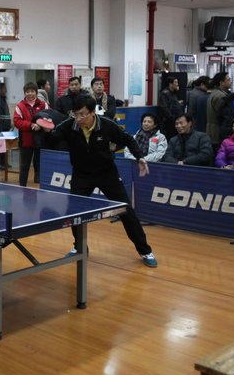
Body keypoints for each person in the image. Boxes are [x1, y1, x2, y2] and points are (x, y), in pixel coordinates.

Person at [45, 95, 157, 267]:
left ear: (92, 113)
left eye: (83, 114)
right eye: (76, 114)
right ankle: (80, 247)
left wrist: (139, 157)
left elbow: (127, 139)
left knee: (126, 210)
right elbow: (52, 138)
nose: (79, 118)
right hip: (82, 175)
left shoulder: (107, 125)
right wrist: (45, 130)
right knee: (74, 213)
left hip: (107, 173)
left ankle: (145, 250)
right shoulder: (69, 125)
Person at [13, 81, 49, 186]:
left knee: (40, 165)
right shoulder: (20, 106)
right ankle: (22, 186)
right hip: (26, 142)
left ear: (36, 92)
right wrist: (31, 125)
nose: (30, 93)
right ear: (24, 93)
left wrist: (41, 124)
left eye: (32, 91)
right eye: (27, 91)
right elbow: (17, 121)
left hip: (41, 140)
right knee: (24, 166)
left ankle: (40, 185)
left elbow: (49, 117)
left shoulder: (43, 104)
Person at [206, 71, 232, 149]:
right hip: (217, 132)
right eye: (228, 80)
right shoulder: (221, 96)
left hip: (212, 130)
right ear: (221, 83)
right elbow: (222, 115)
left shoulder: (215, 93)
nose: (230, 81)